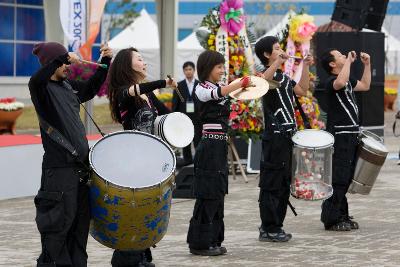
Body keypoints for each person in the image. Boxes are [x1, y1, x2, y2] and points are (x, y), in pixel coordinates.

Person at [29, 42, 112, 266]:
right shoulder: (41, 89)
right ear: (52, 63)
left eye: (67, 61)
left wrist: (105, 61)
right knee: (57, 227)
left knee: (79, 226)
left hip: (80, 171)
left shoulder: (68, 86)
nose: (68, 66)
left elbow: (91, 88)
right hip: (59, 171)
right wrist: (64, 56)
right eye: (63, 62)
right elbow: (36, 79)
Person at [107, 47, 177, 267]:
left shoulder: (147, 96)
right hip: (131, 160)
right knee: (133, 209)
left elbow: (167, 115)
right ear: (128, 66)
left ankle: (142, 255)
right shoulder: (123, 92)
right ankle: (126, 259)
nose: (144, 62)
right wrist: (162, 83)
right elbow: (134, 90)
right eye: (139, 59)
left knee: (147, 208)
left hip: (149, 160)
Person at [186, 50, 251, 256]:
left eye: (223, 67)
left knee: (218, 193)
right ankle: (200, 243)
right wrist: (240, 83)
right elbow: (218, 93)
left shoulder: (218, 87)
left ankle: (213, 239)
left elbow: (229, 90)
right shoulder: (202, 88)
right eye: (219, 67)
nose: (223, 71)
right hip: (208, 146)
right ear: (208, 68)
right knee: (208, 192)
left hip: (220, 145)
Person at [254, 36, 312, 242]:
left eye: (281, 48)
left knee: (284, 181)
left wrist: (304, 65)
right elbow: (263, 83)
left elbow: (303, 90)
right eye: (276, 49)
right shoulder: (262, 76)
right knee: (271, 182)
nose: (281, 51)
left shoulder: (285, 78)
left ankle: (277, 225)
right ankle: (267, 227)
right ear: (267, 55)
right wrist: (278, 61)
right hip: (274, 136)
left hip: (289, 136)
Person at [319, 49, 371, 231]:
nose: (343, 57)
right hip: (340, 135)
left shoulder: (348, 80)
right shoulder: (331, 82)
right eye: (339, 56)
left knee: (346, 177)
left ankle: (341, 214)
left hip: (351, 135)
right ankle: (330, 218)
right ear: (333, 64)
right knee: (339, 177)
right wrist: (349, 61)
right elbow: (340, 82)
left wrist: (367, 65)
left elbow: (365, 85)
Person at [172, 61, 201, 167]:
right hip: (184, 118)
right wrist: (174, 117)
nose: (188, 71)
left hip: (197, 117)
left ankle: (198, 160)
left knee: (198, 139)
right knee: (185, 140)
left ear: (194, 70)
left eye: (190, 69)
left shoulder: (200, 85)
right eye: (186, 69)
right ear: (183, 71)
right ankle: (187, 160)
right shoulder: (179, 85)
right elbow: (175, 103)